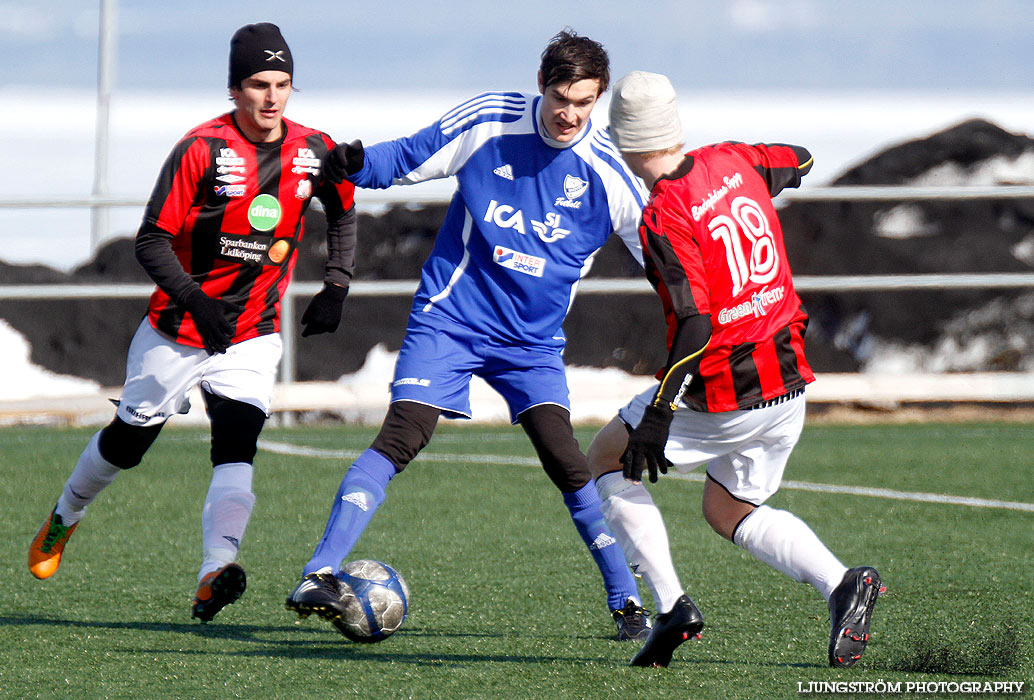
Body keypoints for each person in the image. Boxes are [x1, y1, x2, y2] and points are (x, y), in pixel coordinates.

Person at [286, 29, 652, 641]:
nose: (570, 113)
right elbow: (406, 158)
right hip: (451, 318)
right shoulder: (489, 121)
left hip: (530, 343)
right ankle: (319, 572)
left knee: (565, 459)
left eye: (584, 102)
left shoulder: (611, 175)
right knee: (403, 434)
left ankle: (628, 605)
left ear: (600, 100)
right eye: (561, 96)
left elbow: (666, 260)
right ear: (541, 85)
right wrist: (353, 162)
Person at [28, 23, 358, 624]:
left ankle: (214, 571)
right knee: (127, 446)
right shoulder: (200, 148)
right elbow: (150, 241)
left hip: (253, 331)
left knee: (237, 442)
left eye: (283, 84)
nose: (272, 97)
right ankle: (63, 518)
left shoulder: (313, 147)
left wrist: (336, 284)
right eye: (259, 84)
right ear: (235, 88)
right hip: (177, 330)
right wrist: (196, 299)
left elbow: (342, 210)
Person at [588, 71, 883, 667]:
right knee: (726, 510)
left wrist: (660, 415)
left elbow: (696, 324)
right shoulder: (731, 159)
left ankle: (670, 606)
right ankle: (843, 584)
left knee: (602, 458)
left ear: (624, 141)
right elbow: (797, 159)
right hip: (790, 382)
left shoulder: (663, 214)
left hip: (728, 394)